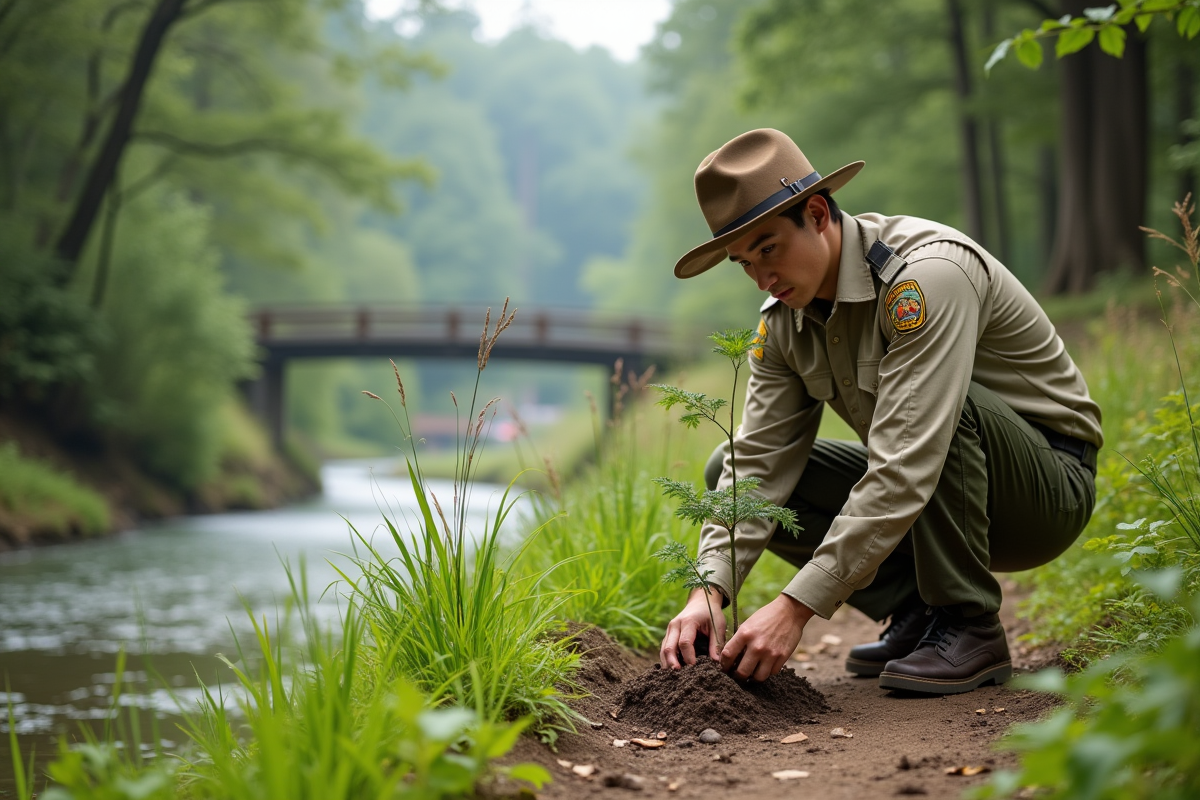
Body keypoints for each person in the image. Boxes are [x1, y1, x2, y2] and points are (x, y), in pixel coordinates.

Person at [658, 128, 1101, 695]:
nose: (761, 277)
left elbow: (910, 456)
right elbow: (759, 464)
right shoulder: (783, 324)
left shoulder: (926, 277)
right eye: (744, 262)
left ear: (817, 213)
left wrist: (794, 609)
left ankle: (969, 623)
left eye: (768, 249)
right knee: (730, 466)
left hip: (1043, 491)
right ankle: (918, 610)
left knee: (941, 410)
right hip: (939, 495)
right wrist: (708, 591)